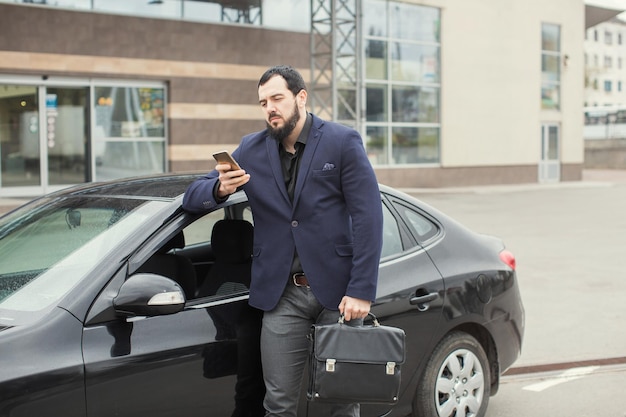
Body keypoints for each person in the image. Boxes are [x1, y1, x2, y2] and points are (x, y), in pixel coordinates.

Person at [182, 65, 383, 417]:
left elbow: (368, 217)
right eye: (263, 103)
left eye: (277, 98)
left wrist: (362, 289)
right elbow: (192, 194)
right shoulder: (250, 148)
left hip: (339, 295)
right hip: (282, 296)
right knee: (277, 404)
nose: (270, 108)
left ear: (300, 97)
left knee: (342, 399)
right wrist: (218, 188)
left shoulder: (341, 141)